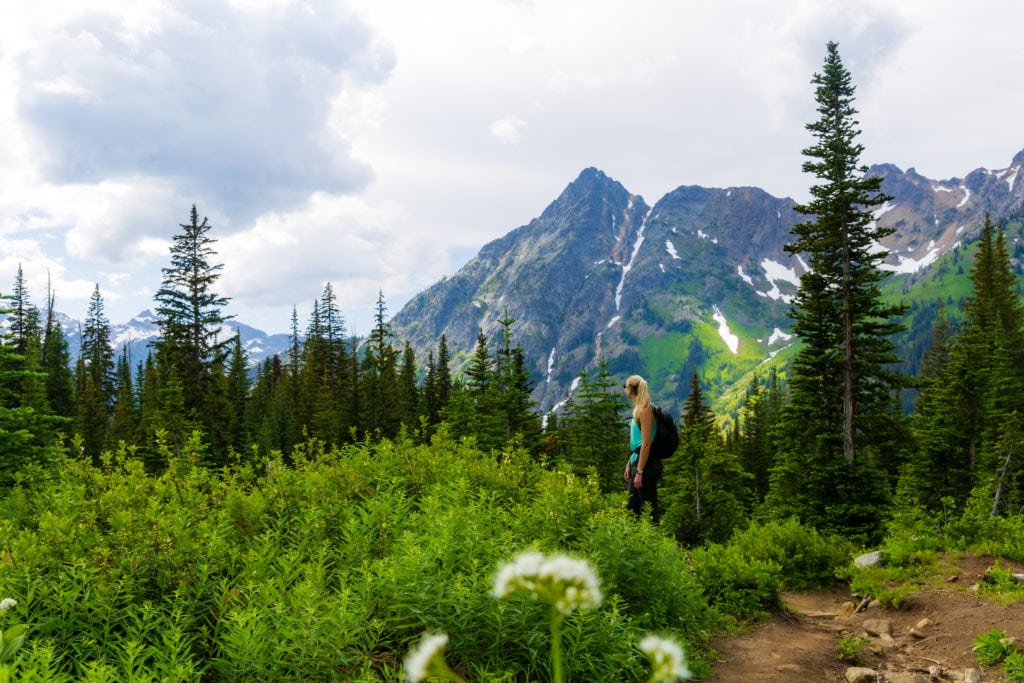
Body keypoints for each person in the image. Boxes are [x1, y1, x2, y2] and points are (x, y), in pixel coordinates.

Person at [622, 374, 662, 523]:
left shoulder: (645, 410)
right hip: (638, 460)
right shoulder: (639, 409)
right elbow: (637, 444)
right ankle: (636, 544)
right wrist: (629, 463)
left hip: (647, 464)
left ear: (631, 389)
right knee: (632, 508)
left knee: (649, 509)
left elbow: (646, 444)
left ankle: (655, 544)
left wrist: (639, 472)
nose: (625, 389)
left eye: (625, 386)